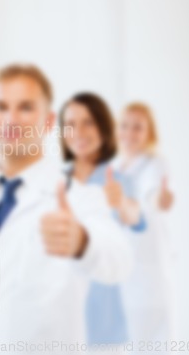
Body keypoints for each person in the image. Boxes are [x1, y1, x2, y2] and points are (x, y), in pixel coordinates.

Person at [0, 64, 132, 354]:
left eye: (25, 107)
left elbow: (119, 260)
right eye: (1, 107)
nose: (11, 119)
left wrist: (82, 243)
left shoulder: (77, 195)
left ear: (48, 121)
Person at [59, 93, 145, 347]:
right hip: (59, 314)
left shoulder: (117, 180)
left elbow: (137, 219)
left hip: (103, 319)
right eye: (71, 124)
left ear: (103, 128)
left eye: (89, 122)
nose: (79, 132)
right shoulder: (55, 180)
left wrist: (122, 204)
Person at [113, 102, 174, 348]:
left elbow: (154, 195)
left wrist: (159, 198)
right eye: (125, 126)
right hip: (123, 275)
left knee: (151, 342)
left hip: (149, 277)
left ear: (149, 132)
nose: (129, 133)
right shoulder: (115, 168)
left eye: (138, 127)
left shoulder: (155, 164)